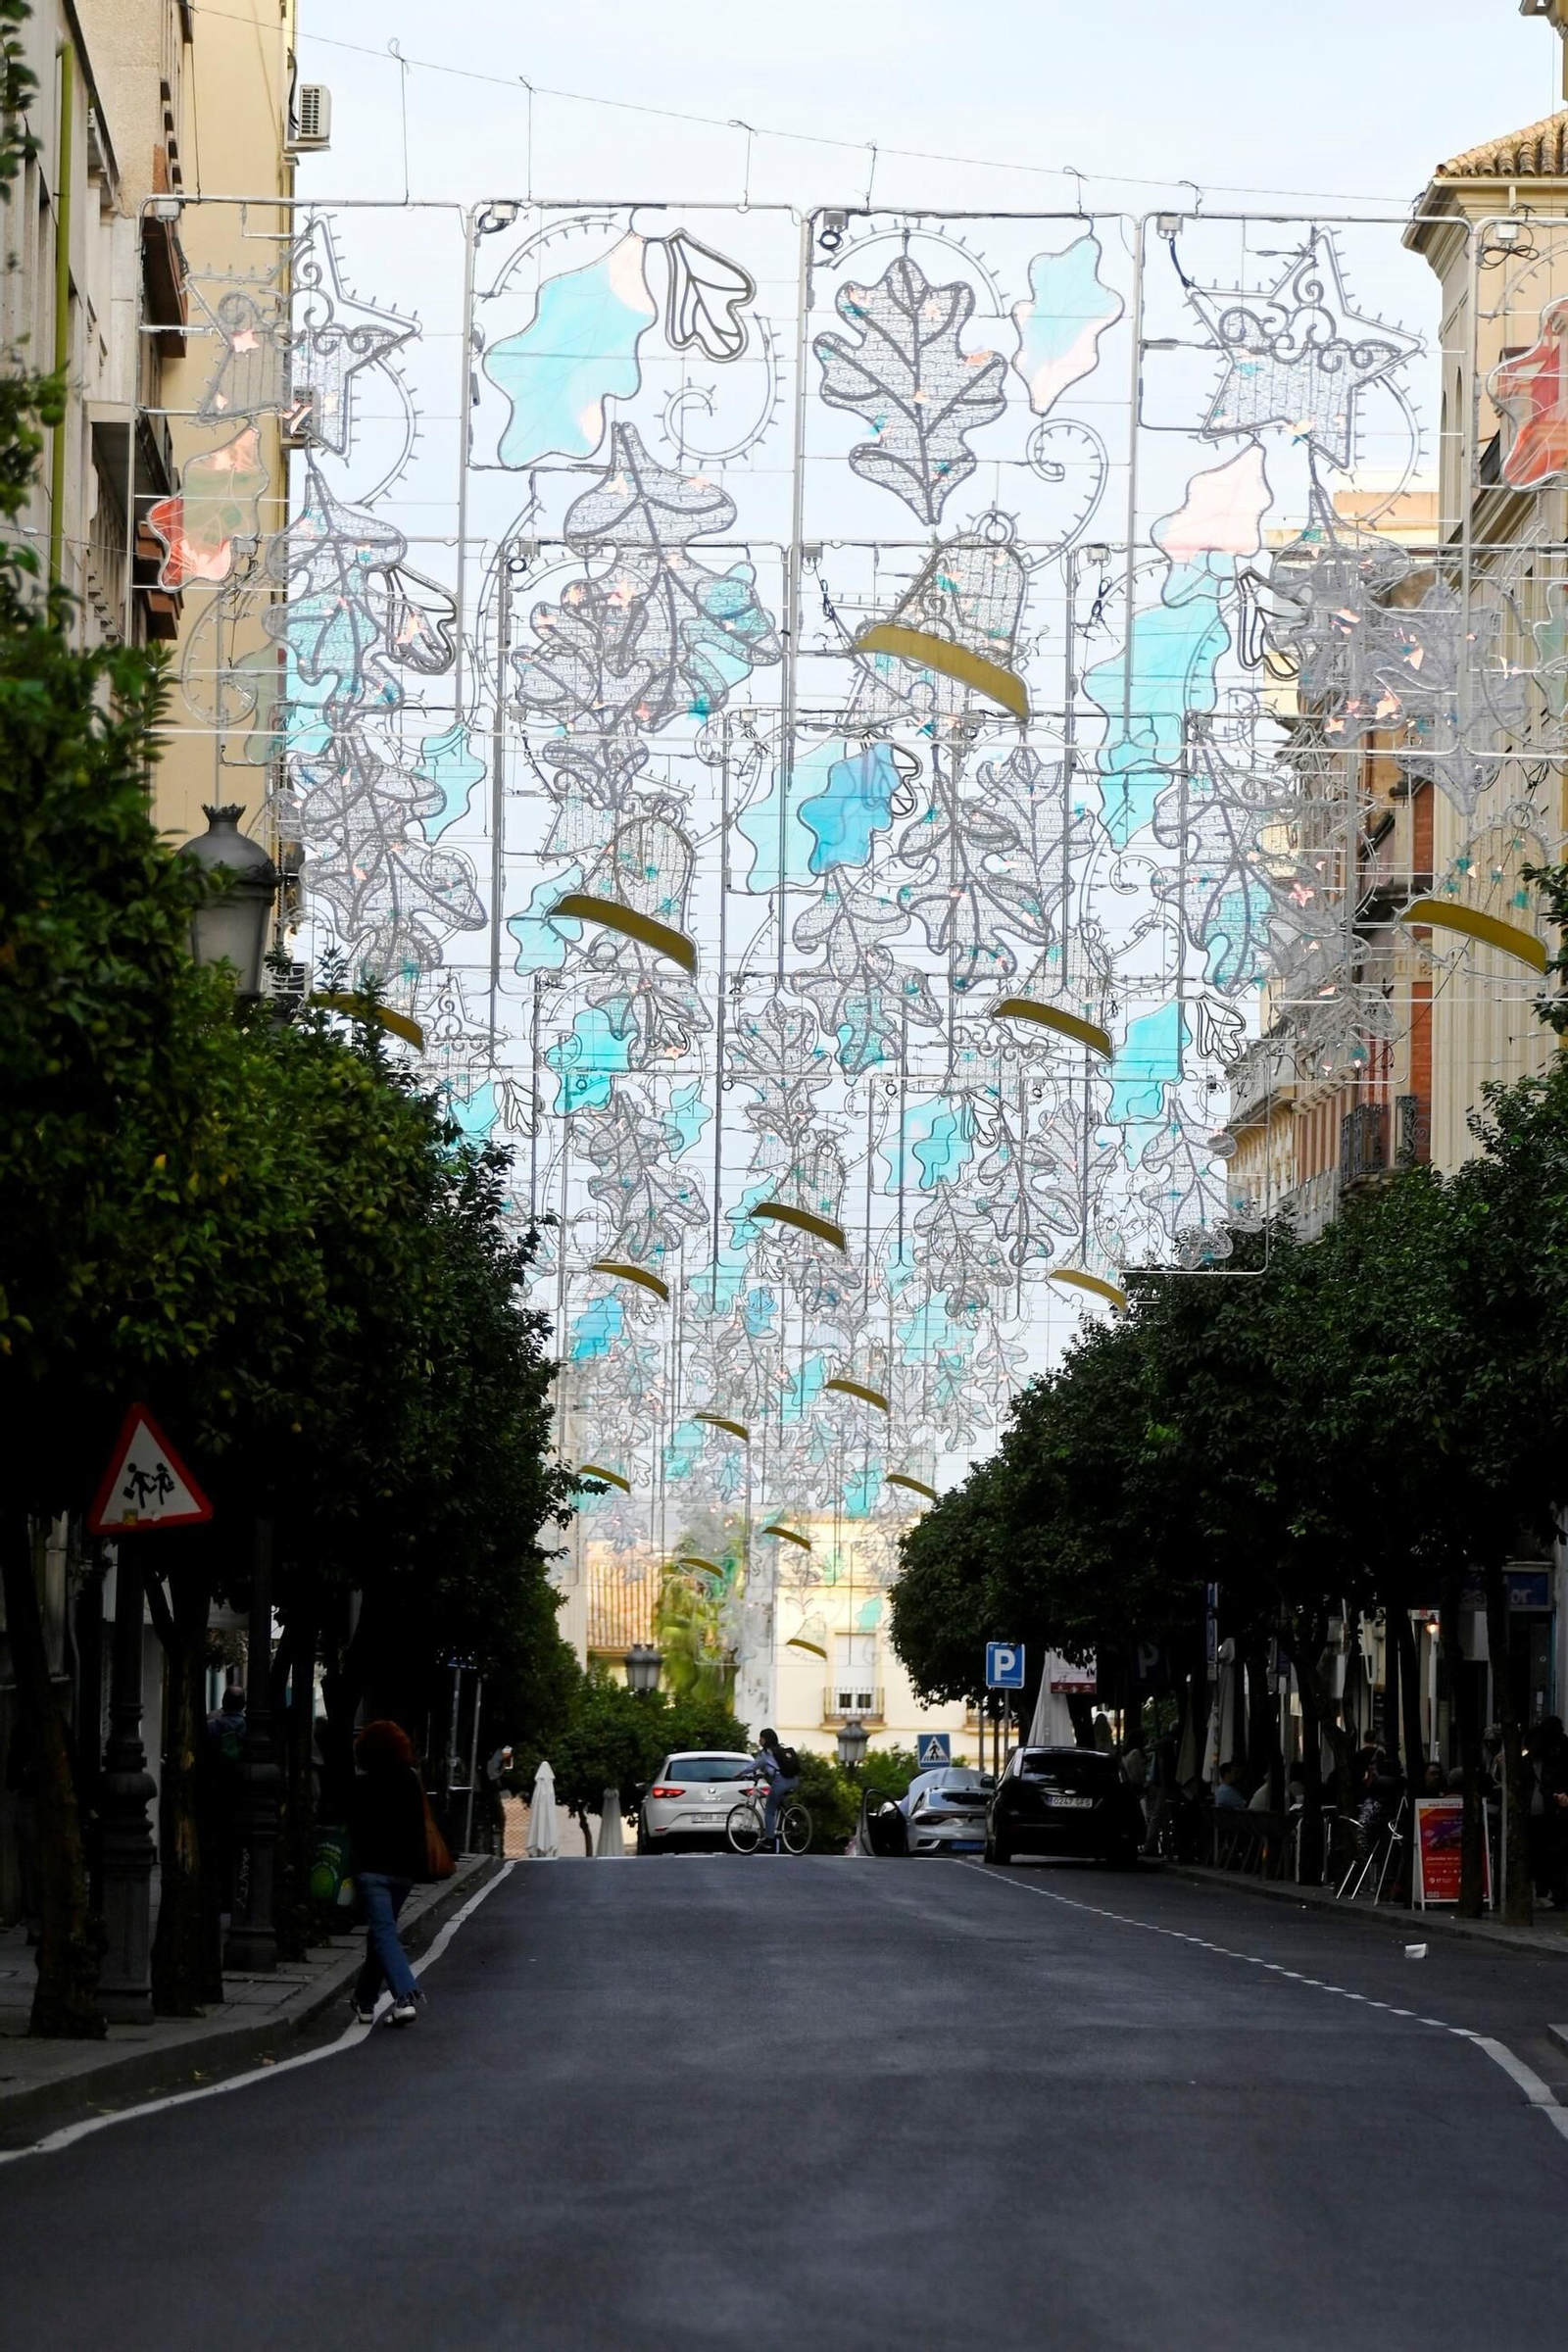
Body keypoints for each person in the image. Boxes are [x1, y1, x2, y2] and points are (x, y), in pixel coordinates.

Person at [347, 1720, 429, 2027]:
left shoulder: (361, 1785)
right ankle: (365, 2001)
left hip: (372, 1871)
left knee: (383, 1934)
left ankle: (405, 1996)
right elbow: (419, 1827)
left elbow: (353, 1828)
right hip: (403, 1872)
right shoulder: (410, 1780)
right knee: (381, 1934)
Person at [753, 1728, 801, 1851]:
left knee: (769, 1810)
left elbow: (753, 1766)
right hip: (794, 1781)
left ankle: (769, 1839)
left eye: (761, 1738)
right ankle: (786, 1821)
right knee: (777, 1801)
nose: (759, 1740)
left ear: (765, 1739)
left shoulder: (766, 1754)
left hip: (780, 1782)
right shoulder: (780, 1750)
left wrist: (740, 1774)